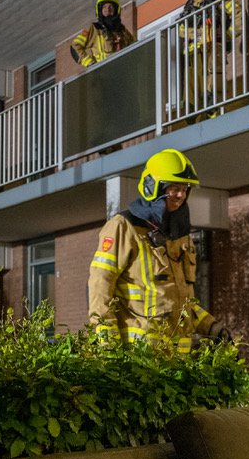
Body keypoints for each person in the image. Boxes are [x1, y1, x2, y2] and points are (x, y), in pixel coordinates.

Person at [88, 148, 228, 351]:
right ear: (153, 186)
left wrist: (212, 327)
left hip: (177, 363)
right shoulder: (123, 227)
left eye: (185, 188)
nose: (181, 194)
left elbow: (180, 301)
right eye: (173, 187)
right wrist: (107, 345)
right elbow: (100, 289)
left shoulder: (180, 237)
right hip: (139, 359)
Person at [176, 0, 237, 120]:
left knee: (212, 87)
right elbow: (181, 30)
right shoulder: (188, 7)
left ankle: (215, 116)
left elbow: (238, 15)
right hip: (192, 55)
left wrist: (226, 36)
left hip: (212, 50)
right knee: (192, 93)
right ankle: (194, 121)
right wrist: (197, 34)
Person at [70, 0, 136, 68]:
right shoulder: (94, 28)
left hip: (122, 71)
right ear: (100, 10)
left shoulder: (122, 31)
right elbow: (75, 46)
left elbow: (135, 48)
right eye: (104, 7)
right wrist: (89, 63)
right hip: (103, 73)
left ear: (116, 10)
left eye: (110, 7)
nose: (107, 9)